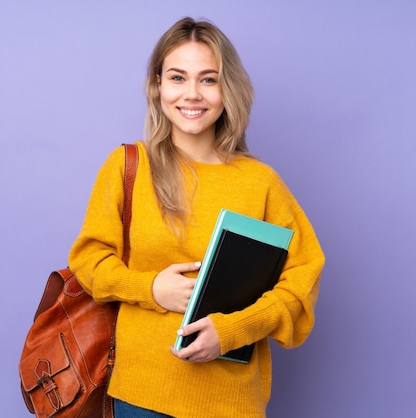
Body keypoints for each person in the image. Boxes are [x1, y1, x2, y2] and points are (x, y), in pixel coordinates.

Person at [69, 17, 325, 418]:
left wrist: (232, 331)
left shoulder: (260, 183)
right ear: (157, 86)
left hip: (231, 403)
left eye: (209, 79)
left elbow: (302, 282)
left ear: (228, 90)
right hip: (141, 398)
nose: (192, 94)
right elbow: (89, 261)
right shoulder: (127, 167)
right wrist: (150, 287)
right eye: (177, 77)